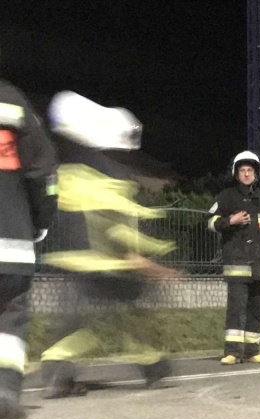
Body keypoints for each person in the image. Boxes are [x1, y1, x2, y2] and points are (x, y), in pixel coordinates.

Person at [39, 91, 177, 398]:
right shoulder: (112, 178)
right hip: (108, 268)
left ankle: (57, 370)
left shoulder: (71, 172)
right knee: (130, 321)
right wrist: (152, 261)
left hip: (75, 264)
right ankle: (155, 366)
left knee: (77, 324)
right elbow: (119, 232)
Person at [0, 79, 58, 419]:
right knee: (9, 316)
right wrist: (39, 222)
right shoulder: (12, 100)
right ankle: (4, 391)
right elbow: (43, 175)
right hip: (11, 240)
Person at [208, 151, 260, 365]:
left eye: (250, 170)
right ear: (236, 173)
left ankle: (252, 351)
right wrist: (229, 221)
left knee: (257, 310)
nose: (246, 174)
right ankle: (232, 352)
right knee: (236, 311)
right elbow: (209, 222)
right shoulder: (226, 197)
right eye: (242, 170)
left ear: (256, 174)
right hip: (237, 266)